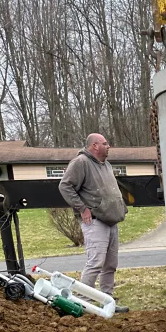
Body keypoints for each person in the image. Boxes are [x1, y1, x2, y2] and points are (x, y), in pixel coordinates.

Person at [59, 133, 129, 313]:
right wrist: (82, 208)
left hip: (111, 220)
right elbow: (65, 186)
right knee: (96, 262)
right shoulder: (81, 162)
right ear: (94, 146)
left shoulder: (105, 164)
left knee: (110, 264)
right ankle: (80, 302)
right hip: (95, 221)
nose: (109, 146)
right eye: (105, 143)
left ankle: (108, 301)